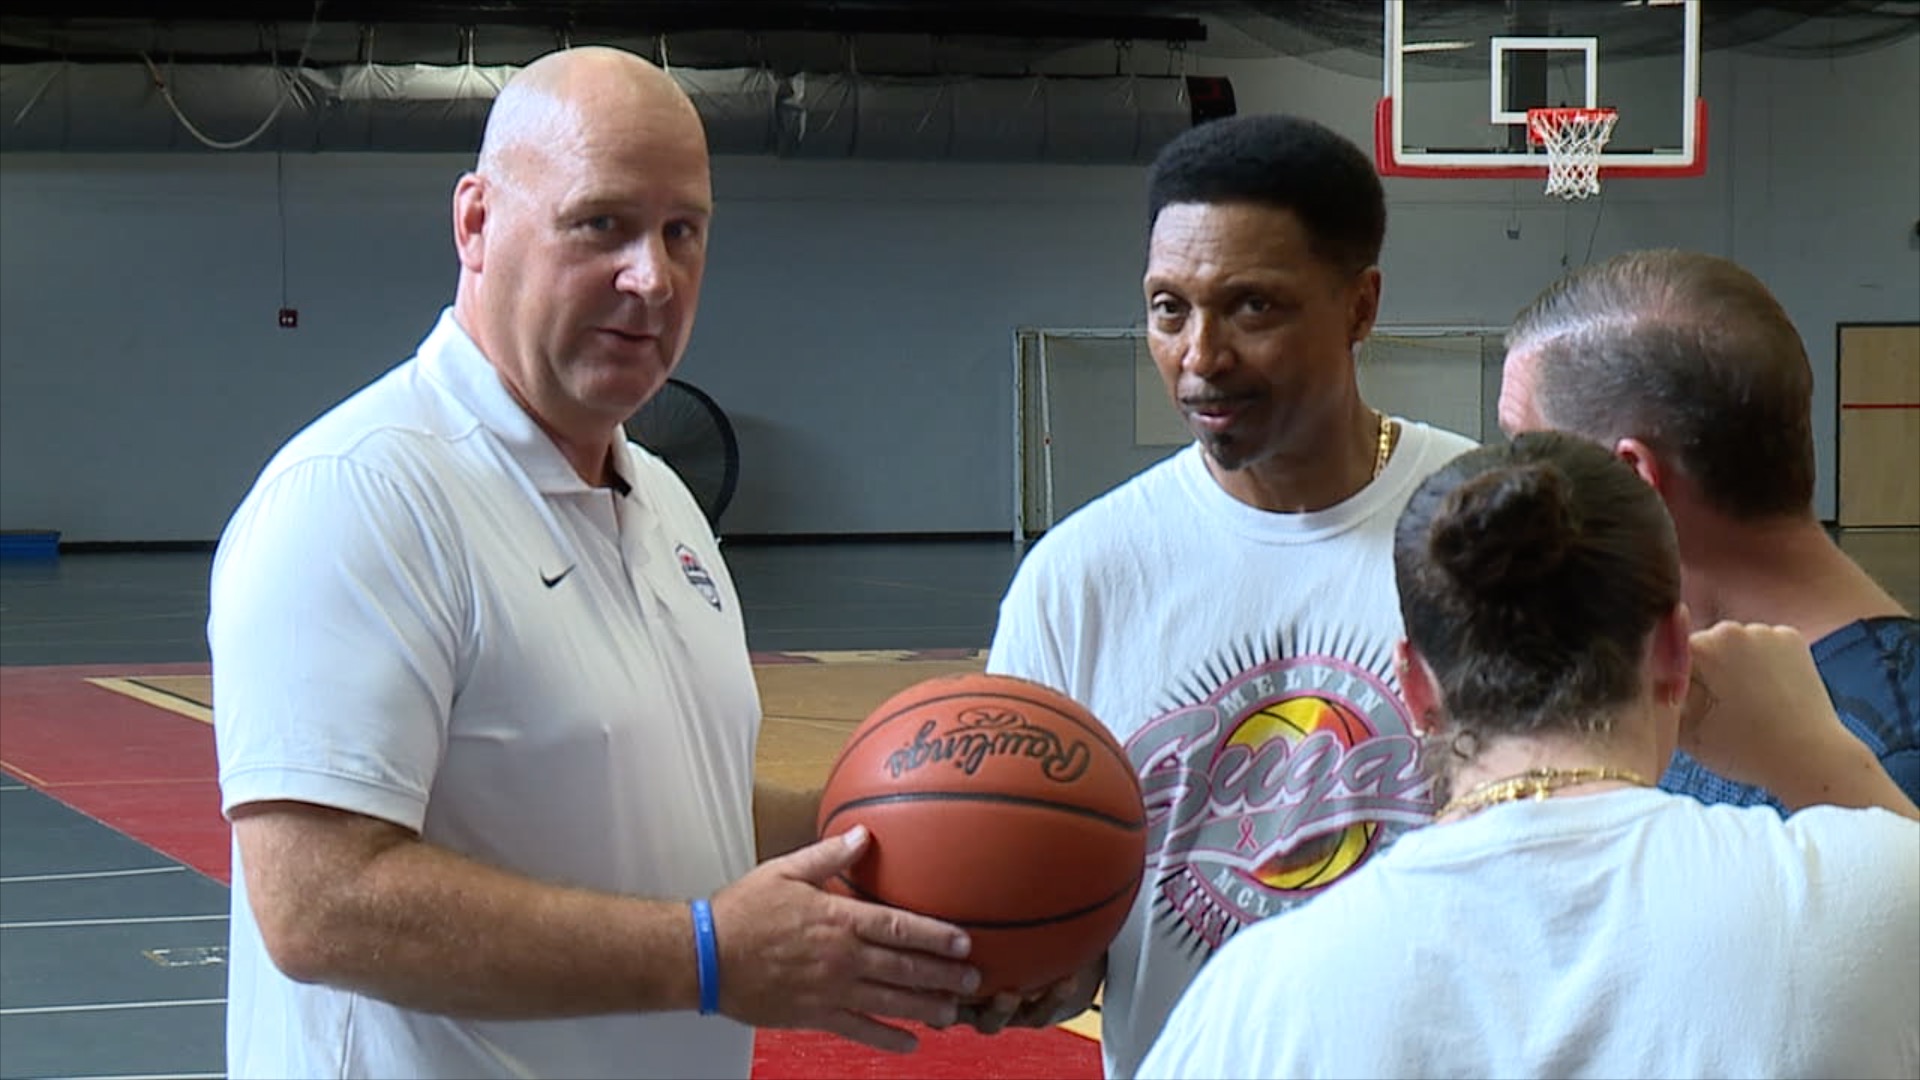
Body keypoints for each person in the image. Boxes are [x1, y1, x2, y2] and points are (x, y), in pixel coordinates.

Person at [207, 46, 980, 1078]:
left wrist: (920, 823)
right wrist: (704, 954)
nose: (651, 277)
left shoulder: (660, 499)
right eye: (600, 223)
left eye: (683, 233)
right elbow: (321, 904)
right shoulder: (360, 494)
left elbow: (675, 807)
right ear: (476, 223)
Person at [1137, 432, 1920, 1080]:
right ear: (1676, 652)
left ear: (1414, 687)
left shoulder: (1258, 999)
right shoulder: (1861, 893)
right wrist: (1821, 756)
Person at [974, 113, 1478, 1077]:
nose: (1200, 355)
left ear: (1360, 307)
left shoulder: (1494, 532)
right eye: (1170, 308)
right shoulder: (1079, 576)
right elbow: (1057, 909)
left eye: (1252, 308)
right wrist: (1039, 960)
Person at [1500, 249, 1919, 809]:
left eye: (1527, 451)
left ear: (1631, 480)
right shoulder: (1664, 677)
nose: (1512, 487)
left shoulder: (1887, 752)